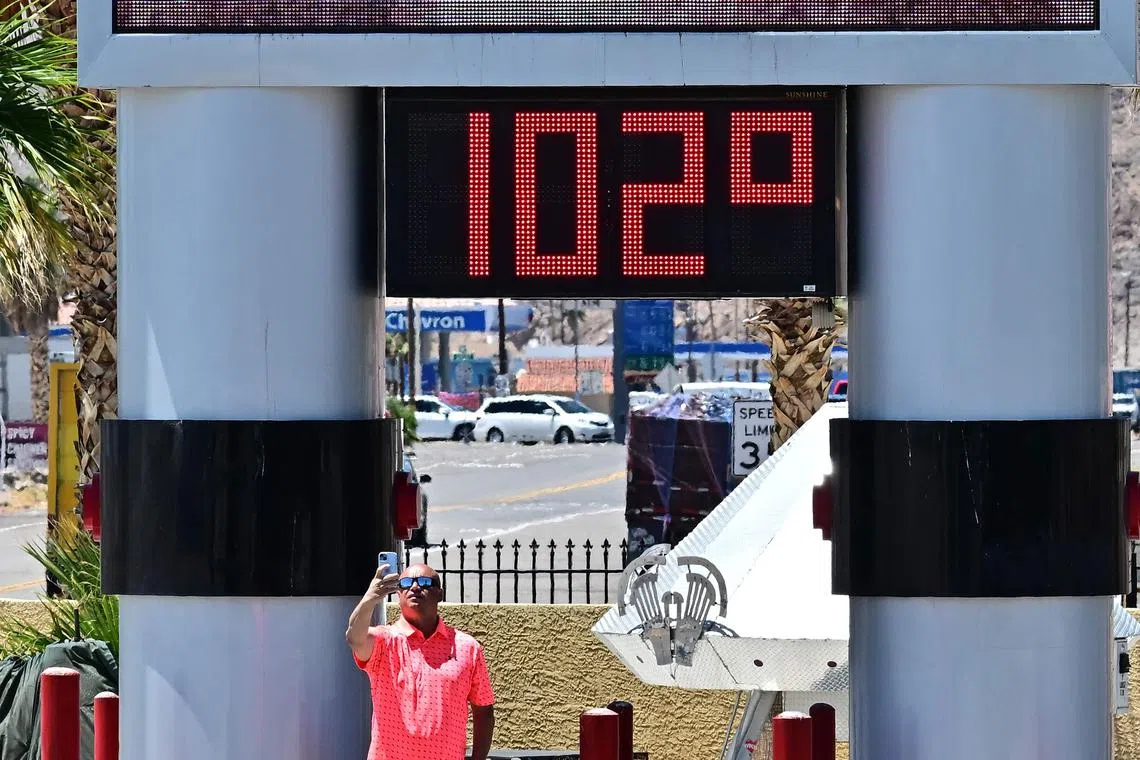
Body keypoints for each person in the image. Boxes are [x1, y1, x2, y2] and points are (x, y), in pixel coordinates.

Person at [346, 562, 495, 760]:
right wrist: (370, 599)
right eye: (406, 583)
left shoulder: (467, 647)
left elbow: (484, 710)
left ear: (439, 594)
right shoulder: (384, 641)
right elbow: (354, 638)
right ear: (398, 594)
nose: (415, 587)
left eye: (425, 582)